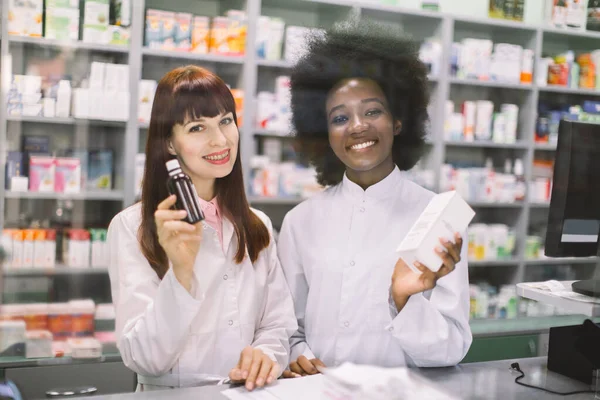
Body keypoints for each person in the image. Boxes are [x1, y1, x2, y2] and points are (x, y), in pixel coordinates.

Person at [278, 20, 472, 377]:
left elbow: (453, 347)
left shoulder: (438, 215)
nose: (357, 126)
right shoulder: (300, 221)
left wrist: (405, 301)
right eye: (339, 117)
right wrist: (296, 353)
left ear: (398, 121)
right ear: (325, 133)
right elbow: (288, 327)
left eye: (372, 111)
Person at [107, 65, 297, 392]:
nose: (220, 139)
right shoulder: (133, 227)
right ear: (169, 143)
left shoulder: (257, 226)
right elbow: (144, 358)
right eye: (197, 128)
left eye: (225, 121)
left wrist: (265, 356)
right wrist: (180, 273)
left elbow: (277, 325)